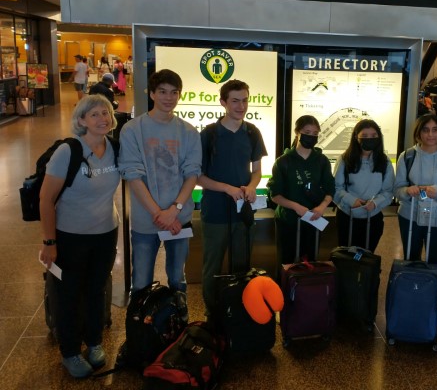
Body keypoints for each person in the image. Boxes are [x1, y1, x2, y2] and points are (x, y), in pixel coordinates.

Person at [39, 95, 120, 378]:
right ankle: (70, 351)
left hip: (106, 233)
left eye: (106, 113)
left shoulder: (114, 148)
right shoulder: (68, 151)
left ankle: (95, 342)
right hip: (69, 236)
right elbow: (46, 200)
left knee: (97, 289)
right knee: (69, 294)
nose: (103, 119)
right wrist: (49, 242)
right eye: (95, 114)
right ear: (81, 120)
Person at [118, 69, 201, 296]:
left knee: (177, 280)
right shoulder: (133, 129)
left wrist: (174, 211)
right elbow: (132, 175)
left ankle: (178, 328)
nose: (168, 97)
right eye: (162, 92)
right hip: (146, 221)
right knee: (141, 283)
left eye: (174, 92)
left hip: (179, 220)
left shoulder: (189, 132)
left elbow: (191, 174)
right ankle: (139, 329)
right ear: (152, 94)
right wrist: (160, 214)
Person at [197, 79, 267, 316]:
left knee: (242, 264)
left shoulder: (252, 132)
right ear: (223, 102)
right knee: (212, 266)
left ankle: (238, 310)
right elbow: (199, 177)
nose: (241, 106)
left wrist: (252, 185)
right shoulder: (209, 134)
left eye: (245, 100)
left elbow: (256, 170)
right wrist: (227, 188)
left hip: (243, 211)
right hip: (215, 211)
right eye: (235, 100)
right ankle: (212, 312)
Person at [268, 115, 335, 266]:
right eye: (307, 132)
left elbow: (330, 188)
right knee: (287, 261)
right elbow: (275, 195)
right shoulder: (283, 161)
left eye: (315, 133)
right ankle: (286, 289)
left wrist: (322, 206)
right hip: (288, 220)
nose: (311, 136)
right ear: (297, 132)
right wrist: (296, 207)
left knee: (310, 261)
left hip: (313, 220)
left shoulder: (321, 161)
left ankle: (306, 289)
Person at [393, 114, 437, 272]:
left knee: (436, 262)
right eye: (426, 130)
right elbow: (397, 191)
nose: (430, 135)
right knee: (411, 260)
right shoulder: (407, 156)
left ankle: (431, 293)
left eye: (435, 130)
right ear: (418, 133)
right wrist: (408, 190)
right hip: (410, 216)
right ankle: (411, 291)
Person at [333, 119, 395, 252]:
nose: (369, 139)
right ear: (356, 137)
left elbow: (388, 191)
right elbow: (336, 188)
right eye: (365, 136)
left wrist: (375, 203)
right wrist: (351, 200)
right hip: (347, 215)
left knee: (365, 255)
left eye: (373, 136)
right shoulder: (345, 159)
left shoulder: (384, 161)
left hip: (372, 217)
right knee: (346, 254)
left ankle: (363, 272)